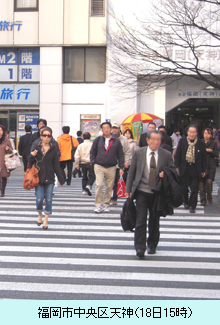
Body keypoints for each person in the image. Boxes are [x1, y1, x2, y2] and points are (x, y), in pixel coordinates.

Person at [125, 130, 174, 257]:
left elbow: (173, 171)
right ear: (147, 140)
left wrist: (166, 173)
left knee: (154, 219)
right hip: (142, 191)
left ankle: (152, 244)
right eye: (154, 139)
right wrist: (127, 190)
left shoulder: (166, 154)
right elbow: (131, 172)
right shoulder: (138, 153)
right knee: (140, 220)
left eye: (159, 140)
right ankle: (140, 248)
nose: (156, 142)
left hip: (157, 192)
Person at [29, 127, 64, 229]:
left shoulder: (53, 149)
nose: (46, 137)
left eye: (48, 136)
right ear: (41, 136)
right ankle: (40, 215)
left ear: (51, 137)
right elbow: (30, 162)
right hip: (38, 177)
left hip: (50, 177)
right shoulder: (36, 147)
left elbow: (57, 165)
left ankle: (46, 219)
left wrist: (61, 179)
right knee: (39, 199)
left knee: (48, 199)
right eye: (44, 135)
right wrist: (31, 156)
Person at [90, 122, 124, 213]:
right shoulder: (97, 140)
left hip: (112, 167)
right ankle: (98, 204)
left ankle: (106, 204)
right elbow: (92, 152)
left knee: (110, 186)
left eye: (108, 128)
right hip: (99, 165)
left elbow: (120, 154)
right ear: (102, 130)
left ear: (111, 129)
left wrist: (121, 167)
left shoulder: (116, 141)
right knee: (99, 184)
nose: (106, 129)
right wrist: (93, 162)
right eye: (104, 128)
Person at [175, 124, 207, 213]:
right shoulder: (182, 141)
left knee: (194, 188)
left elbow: (204, 158)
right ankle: (186, 201)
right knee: (184, 188)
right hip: (184, 167)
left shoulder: (200, 143)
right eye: (190, 132)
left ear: (196, 133)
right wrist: (176, 166)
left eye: (194, 132)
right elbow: (178, 155)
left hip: (195, 168)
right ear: (187, 132)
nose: (192, 134)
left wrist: (204, 169)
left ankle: (193, 206)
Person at [111, 122, 130, 205]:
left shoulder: (124, 139)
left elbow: (127, 152)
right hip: (110, 163)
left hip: (119, 164)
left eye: (116, 128)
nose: (114, 129)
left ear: (119, 129)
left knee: (117, 181)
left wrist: (126, 161)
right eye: (113, 128)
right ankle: (109, 196)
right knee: (110, 182)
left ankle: (114, 198)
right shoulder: (109, 138)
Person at [199, 128, 218, 205]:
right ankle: (203, 199)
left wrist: (211, 151)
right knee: (201, 184)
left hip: (211, 165)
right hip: (201, 165)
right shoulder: (200, 142)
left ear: (211, 135)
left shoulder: (213, 143)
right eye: (205, 133)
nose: (206, 135)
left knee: (209, 181)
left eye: (208, 133)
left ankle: (209, 197)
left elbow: (216, 154)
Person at [0, 125, 13, 197]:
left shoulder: (6, 140)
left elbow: (11, 151)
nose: (0, 132)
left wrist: (8, 150)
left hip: (4, 162)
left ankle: (3, 190)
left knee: (4, 177)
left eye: (1, 130)